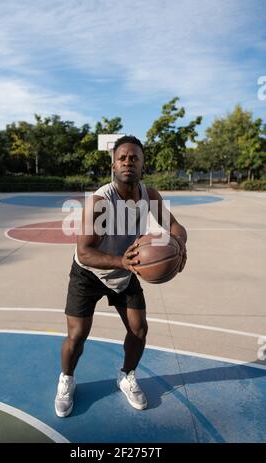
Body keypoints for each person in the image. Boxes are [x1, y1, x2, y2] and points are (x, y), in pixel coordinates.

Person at [55, 135, 187, 417]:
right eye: (122, 158)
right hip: (89, 272)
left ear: (143, 165)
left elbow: (174, 225)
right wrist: (121, 261)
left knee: (139, 329)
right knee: (77, 336)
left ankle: (126, 375)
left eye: (134, 158)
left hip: (125, 270)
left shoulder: (149, 196)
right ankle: (66, 379)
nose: (128, 162)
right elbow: (85, 251)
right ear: (113, 165)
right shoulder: (101, 201)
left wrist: (180, 245)